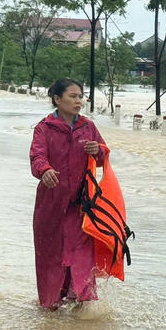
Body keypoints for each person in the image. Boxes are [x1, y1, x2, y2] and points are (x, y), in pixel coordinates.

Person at [29, 78, 108, 309]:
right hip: (50, 206)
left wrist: (98, 151)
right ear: (57, 99)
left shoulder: (88, 127)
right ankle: (50, 306)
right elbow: (36, 157)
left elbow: (103, 156)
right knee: (50, 258)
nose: (78, 101)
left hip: (81, 206)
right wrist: (45, 171)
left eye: (80, 96)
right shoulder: (44, 128)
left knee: (81, 255)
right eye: (73, 96)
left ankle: (83, 307)